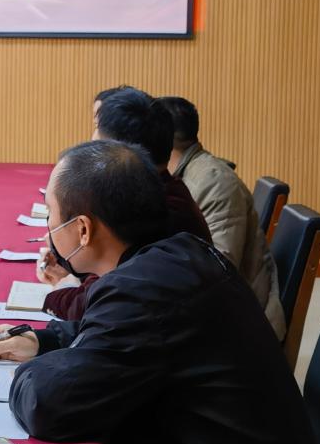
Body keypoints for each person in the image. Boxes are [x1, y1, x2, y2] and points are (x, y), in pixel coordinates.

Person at [0, 141, 320, 444]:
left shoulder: (143, 291)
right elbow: (134, 335)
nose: (48, 226)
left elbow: (51, 405)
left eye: (51, 213)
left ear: (82, 229)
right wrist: (46, 339)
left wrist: (23, 374)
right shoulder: (181, 255)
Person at [38, 87, 211, 320]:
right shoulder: (165, 190)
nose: (91, 142)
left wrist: (57, 294)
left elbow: (108, 300)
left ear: (118, 154)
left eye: (96, 130)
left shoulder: (153, 210)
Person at [157, 95, 286, 340]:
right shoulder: (185, 175)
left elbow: (219, 268)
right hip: (214, 310)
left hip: (241, 325)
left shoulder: (215, 183)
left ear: (160, 137)